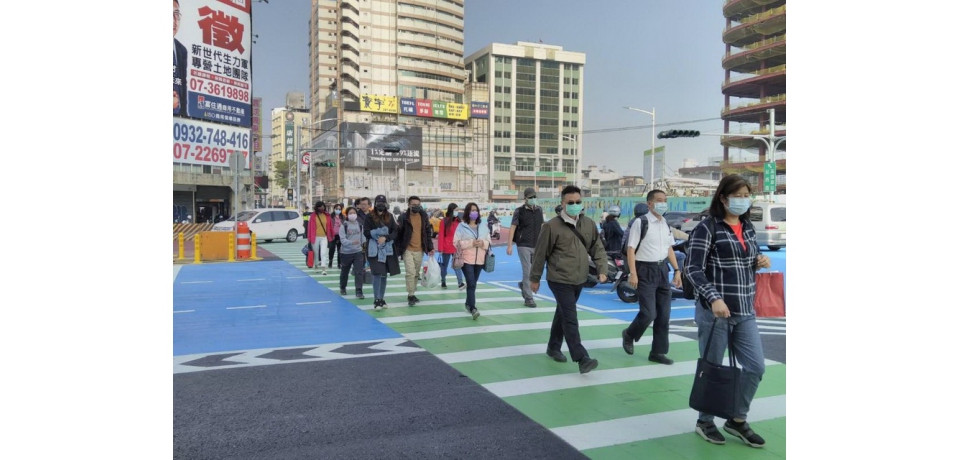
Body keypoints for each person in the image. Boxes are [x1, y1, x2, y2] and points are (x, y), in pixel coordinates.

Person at [686, 174, 771, 448]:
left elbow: (744, 260)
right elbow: (692, 268)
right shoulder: (707, 228)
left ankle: (736, 419)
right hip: (715, 313)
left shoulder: (747, 227)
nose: (743, 200)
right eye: (738, 196)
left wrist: (759, 260)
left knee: (755, 367)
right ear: (723, 198)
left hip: (745, 309)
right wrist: (714, 298)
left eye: (747, 195)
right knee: (712, 368)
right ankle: (705, 421)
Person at [529, 185, 607, 374]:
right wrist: (535, 278)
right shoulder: (551, 226)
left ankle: (553, 347)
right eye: (570, 202)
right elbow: (540, 254)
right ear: (563, 203)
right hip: (559, 279)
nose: (575, 205)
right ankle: (581, 358)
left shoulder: (588, 224)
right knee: (570, 317)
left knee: (563, 313)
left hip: (579, 278)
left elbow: (597, 247)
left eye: (578, 202)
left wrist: (602, 269)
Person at [622, 190, 684, 365]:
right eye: (658, 200)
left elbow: (669, 249)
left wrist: (677, 270)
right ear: (649, 204)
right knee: (649, 313)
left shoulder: (664, 223)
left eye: (665, 200)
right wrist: (633, 273)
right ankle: (629, 334)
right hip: (644, 270)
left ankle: (658, 352)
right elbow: (631, 249)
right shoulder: (641, 222)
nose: (662, 203)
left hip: (662, 269)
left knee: (664, 315)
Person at [506, 188, 544, 308]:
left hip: (537, 245)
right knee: (527, 271)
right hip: (523, 245)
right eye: (530, 197)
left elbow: (542, 226)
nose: (533, 199)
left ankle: (523, 285)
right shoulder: (519, 211)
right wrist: (509, 245)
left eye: (534, 197)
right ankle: (529, 298)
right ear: (525, 198)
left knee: (534, 271)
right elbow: (513, 227)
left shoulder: (539, 210)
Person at [453, 202, 491, 320]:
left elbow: (489, 242)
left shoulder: (483, 226)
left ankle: (468, 303)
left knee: (473, 284)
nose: (474, 212)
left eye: (476, 210)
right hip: (466, 259)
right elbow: (456, 242)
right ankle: (473, 308)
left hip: (480, 260)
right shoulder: (461, 226)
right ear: (467, 212)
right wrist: (471, 243)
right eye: (471, 210)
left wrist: (482, 243)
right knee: (471, 283)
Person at [396, 195, 436, 306]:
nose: (416, 207)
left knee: (416, 274)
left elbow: (427, 233)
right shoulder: (403, 217)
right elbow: (398, 234)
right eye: (414, 205)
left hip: (420, 249)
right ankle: (410, 294)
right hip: (407, 249)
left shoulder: (424, 216)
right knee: (410, 272)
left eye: (418, 205)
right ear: (409, 205)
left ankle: (412, 292)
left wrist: (430, 247)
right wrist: (398, 249)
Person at [364, 195, 401, 310]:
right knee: (376, 273)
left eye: (383, 202)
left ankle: (381, 298)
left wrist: (386, 237)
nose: (381, 205)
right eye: (379, 202)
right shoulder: (369, 216)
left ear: (386, 204)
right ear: (375, 204)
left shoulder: (390, 216)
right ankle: (376, 299)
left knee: (384, 274)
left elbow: (395, 231)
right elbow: (366, 232)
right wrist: (377, 234)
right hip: (374, 249)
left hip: (387, 248)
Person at [337, 206, 366, 299]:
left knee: (359, 272)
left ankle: (359, 290)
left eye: (354, 213)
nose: (352, 215)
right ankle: (342, 287)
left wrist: (362, 245)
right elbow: (342, 240)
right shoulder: (344, 226)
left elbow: (363, 238)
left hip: (358, 252)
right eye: (350, 213)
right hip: (346, 253)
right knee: (345, 271)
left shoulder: (360, 225)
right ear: (347, 215)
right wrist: (351, 242)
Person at [436, 203, 465, 290]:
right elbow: (441, 235)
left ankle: (460, 283)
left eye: (458, 210)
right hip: (446, 247)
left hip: (456, 247)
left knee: (457, 265)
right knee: (444, 265)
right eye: (456, 210)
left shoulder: (458, 221)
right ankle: (443, 281)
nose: (457, 212)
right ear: (451, 210)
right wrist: (440, 249)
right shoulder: (444, 221)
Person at [307, 202, 334, 275]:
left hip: (324, 237)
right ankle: (316, 266)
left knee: (323, 253)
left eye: (323, 207)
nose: (322, 208)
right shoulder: (313, 216)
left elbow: (330, 226)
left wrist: (332, 235)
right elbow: (309, 228)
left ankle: (323, 269)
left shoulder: (327, 215)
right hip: (315, 237)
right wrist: (309, 238)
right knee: (316, 253)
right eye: (320, 207)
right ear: (317, 207)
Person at [173, 0, 187, 116]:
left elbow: (183, 88)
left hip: (178, 120)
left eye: (176, 14)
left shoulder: (181, 50)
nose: (174, 20)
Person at [328, 203, 344, 269]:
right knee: (332, 249)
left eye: (339, 209)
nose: (338, 210)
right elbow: (328, 226)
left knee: (340, 250)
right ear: (334, 209)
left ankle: (339, 263)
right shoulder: (330, 217)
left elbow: (345, 225)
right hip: (332, 235)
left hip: (340, 235)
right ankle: (330, 261)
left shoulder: (343, 217)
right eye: (337, 209)